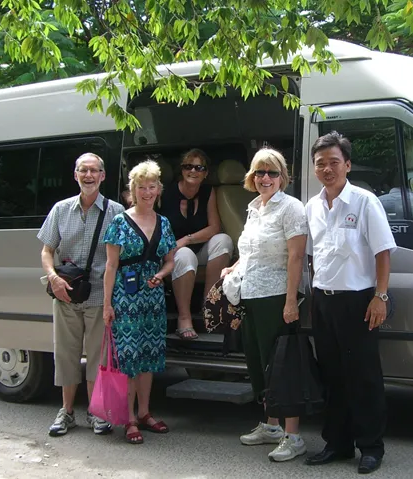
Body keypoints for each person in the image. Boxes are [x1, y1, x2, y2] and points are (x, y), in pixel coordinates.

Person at [304, 132, 396, 474]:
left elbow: (383, 252)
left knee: (364, 376)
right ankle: (337, 443)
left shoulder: (364, 201)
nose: (327, 169)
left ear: (348, 165)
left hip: (359, 301)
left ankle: (371, 446)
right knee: (332, 374)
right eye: (320, 164)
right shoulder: (312, 206)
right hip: (324, 301)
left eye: (334, 162)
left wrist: (380, 296)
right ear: (314, 169)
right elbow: (313, 255)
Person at [221, 148, 308, 462]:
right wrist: (234, 267)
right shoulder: (254, 207)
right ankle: (271, 425)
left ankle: (293, 435)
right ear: (251, 177)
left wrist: (290, 302)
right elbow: (251, 249)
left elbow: (296, 256)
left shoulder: (291, 208)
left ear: (282, 177)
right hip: (251, 294)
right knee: (258, 363)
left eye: (271, 172)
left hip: (277, 297)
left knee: (282, 366)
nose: (265, 178)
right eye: (259, 172)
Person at [38, 152, 126, 437]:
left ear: (103, 176)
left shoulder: (116, 212)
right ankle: (67, 411)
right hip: (65, 294)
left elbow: (122, 257)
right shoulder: (61, 210)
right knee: (66, 355)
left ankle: (96, 412)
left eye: (94, 171)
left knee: (99, 358)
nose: (88, 175)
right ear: (75, 175)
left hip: (100, 296)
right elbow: (47, 250)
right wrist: (53, 278)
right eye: (83, 170)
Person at [103, 160, 177, 445]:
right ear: (132, 190)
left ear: (159, 189)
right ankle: (129, 418)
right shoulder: (120, 221)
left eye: (152, 187)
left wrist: (160, 274)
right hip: (126, 297)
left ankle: (145, 413)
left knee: (149, 358)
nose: (147, 192)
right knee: (130, 360)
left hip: (153, 298)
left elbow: (170, 260)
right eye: (141, 187)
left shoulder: (164, 222)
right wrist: (107, 305)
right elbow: (110, 266)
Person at [160, 148, 233, 340]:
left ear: (206, 173)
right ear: (181, 170)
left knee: (223, 240)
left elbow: (214, 227)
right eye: (188, 166)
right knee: (185, 255)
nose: (193, 171)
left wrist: (187, 239)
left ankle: (209, 306)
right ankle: (184, 318)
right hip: (172, 253)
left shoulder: (208, 192)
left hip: (197, 246)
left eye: (199, 167)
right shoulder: (165, 193)